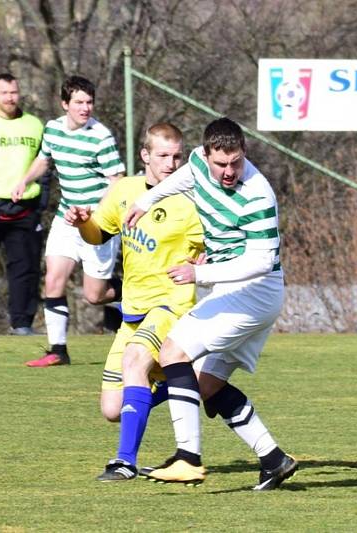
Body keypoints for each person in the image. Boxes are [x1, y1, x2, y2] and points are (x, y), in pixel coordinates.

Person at [124, 117, 297, 490]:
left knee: (173, 353)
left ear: (244, 153)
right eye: (221, 164)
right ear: (206, 155)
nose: (229, 171)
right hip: (236, 292)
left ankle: (188, 458)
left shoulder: (259, 194)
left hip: (254, 291)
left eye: (235, 162)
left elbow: (261, 261)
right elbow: (186, 177)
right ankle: (274, 459)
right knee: (207, 385)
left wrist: (198, 274)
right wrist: (146, 199)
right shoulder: (200, 165)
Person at [64, 123, 204, 481]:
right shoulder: (125, 191)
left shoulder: (191, 202)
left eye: (177, 157)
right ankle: (184, 383)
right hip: (134, 311)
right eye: (163, 156)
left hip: (171, 306)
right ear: (145, 155)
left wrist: (205, 261)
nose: (172, 164)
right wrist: (83, 223)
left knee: (134, 360)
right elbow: (99, 233)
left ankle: (124, 461)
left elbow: (215, 247)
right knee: (112, 409)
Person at [12, 75, 125, 366]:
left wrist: (95, 214)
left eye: (89, 102)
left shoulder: (101, 136)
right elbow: (44, 159)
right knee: (53, 279)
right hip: (66, 217)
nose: (85, 108)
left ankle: (135, 291)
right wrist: (24, 179)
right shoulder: (52, 130)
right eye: (79, 102)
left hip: (97, 223)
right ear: (65, 104)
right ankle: (58, 350)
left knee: (94, 295)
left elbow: (118, 181)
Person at [0, 73, 44, 335]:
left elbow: (45, 162)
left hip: (24, 207)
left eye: (14, 92)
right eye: (4, 93)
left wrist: (40, 195)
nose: (10, 98)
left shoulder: (34, 124)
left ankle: (22, 324)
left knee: (25, 268)